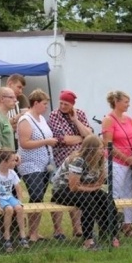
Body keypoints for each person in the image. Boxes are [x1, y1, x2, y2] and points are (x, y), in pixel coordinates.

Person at [51, 135, 120, 250]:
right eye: (100, 148)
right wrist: (92, 188)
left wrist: (101, 167)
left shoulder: (99, 160)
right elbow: (73, 187)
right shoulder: (78, 160)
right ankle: (88, 241)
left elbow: (100, 182)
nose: (103, 151)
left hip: (84, 188)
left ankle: (112, 235)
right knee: (88, 201)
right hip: (62, 190)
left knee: (106, 198)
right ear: (91, 149)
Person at [17, 89, 62, 242]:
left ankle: (34, 231)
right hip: (30, 164)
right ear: (35, 103)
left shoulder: (42, 118)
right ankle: (29, 230)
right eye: (44, 104)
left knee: (40, 197)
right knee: (35, 194)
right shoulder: (25, 120)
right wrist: (46, 142)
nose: (46, 107)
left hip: (45, 163)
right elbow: (24, 143)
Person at [47, 89, 91, 237]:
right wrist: (81, 137)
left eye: (66, 104)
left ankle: (77, 228)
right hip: (62, 160)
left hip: (79, 160)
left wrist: (76, 121)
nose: (63, 106)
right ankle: (58, 229)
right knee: (59, 193)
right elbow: (62, 139)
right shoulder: (54, 115)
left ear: (72, 105)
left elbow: (89, 135)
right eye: (61, 103)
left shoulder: (80, 114)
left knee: (76, 191)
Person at [101, 90, 132, 237]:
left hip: (131, 162)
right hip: (116, 162)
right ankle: (110, 225)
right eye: (125, 102)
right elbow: (108, 143)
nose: (128, 104)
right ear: (116, 102)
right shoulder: (108, 119)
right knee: (114, 194)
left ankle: (127, 226)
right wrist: (125, 158)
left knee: (129, 194)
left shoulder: (129, 119)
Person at [0, 150, 29, 252]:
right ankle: (7, 236)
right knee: (9, 209)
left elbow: (18, 188)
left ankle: (22, 235)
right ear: (4, 162)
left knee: (19, 208)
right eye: (13, 160)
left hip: (9, 197)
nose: (15, 162)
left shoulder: (12, 172)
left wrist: (19, 201)